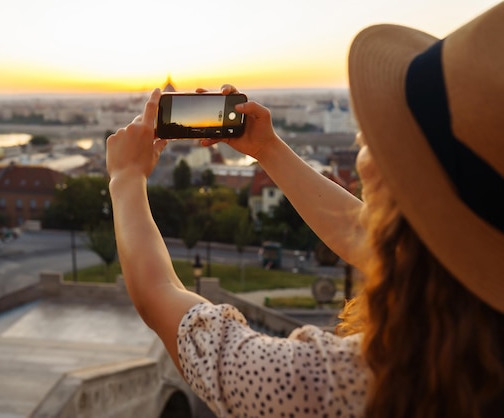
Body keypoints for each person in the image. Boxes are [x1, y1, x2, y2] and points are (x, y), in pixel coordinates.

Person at [105, 3, 504, 417]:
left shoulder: (330, 385)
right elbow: (369, 236)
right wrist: (267, 150)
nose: (362, 142)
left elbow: (158, 297)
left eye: (385, 132)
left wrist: (125, 178)